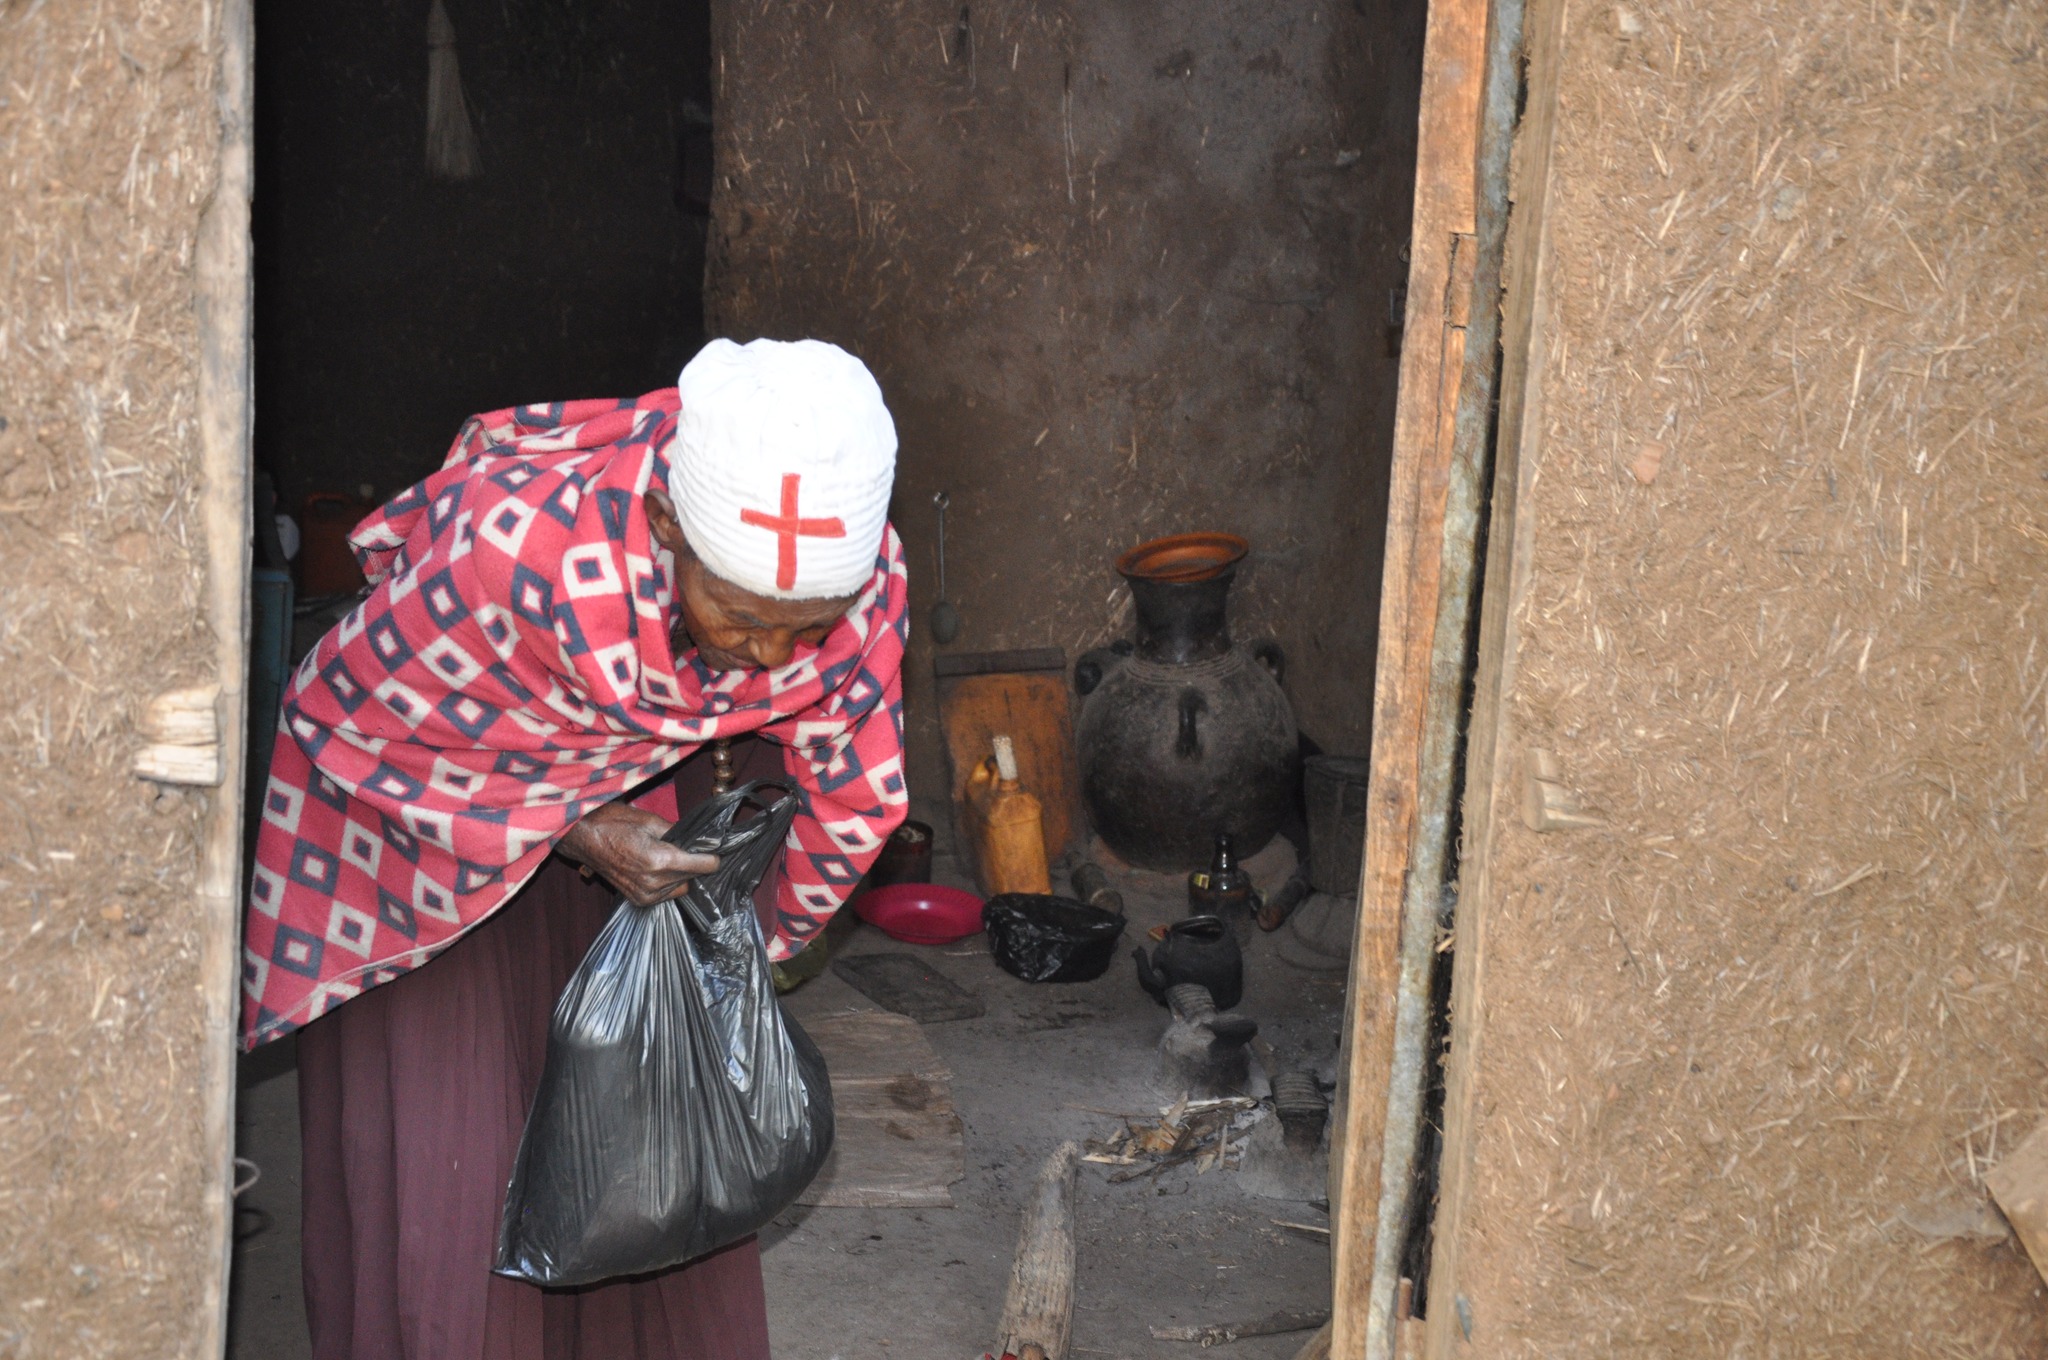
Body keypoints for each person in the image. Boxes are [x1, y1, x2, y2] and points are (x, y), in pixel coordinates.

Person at [241, 338, 910, 1359]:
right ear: (664, 527)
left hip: (631, 800)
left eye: (804, 629)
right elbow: (340, 724)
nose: (769, 657)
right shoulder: (504, 551)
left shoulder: (853, 577)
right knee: (463, 1158)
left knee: (646, 1143)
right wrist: (573, 823)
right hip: (426, 837)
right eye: (737, 616)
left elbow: (857, 794)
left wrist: (736, 956)